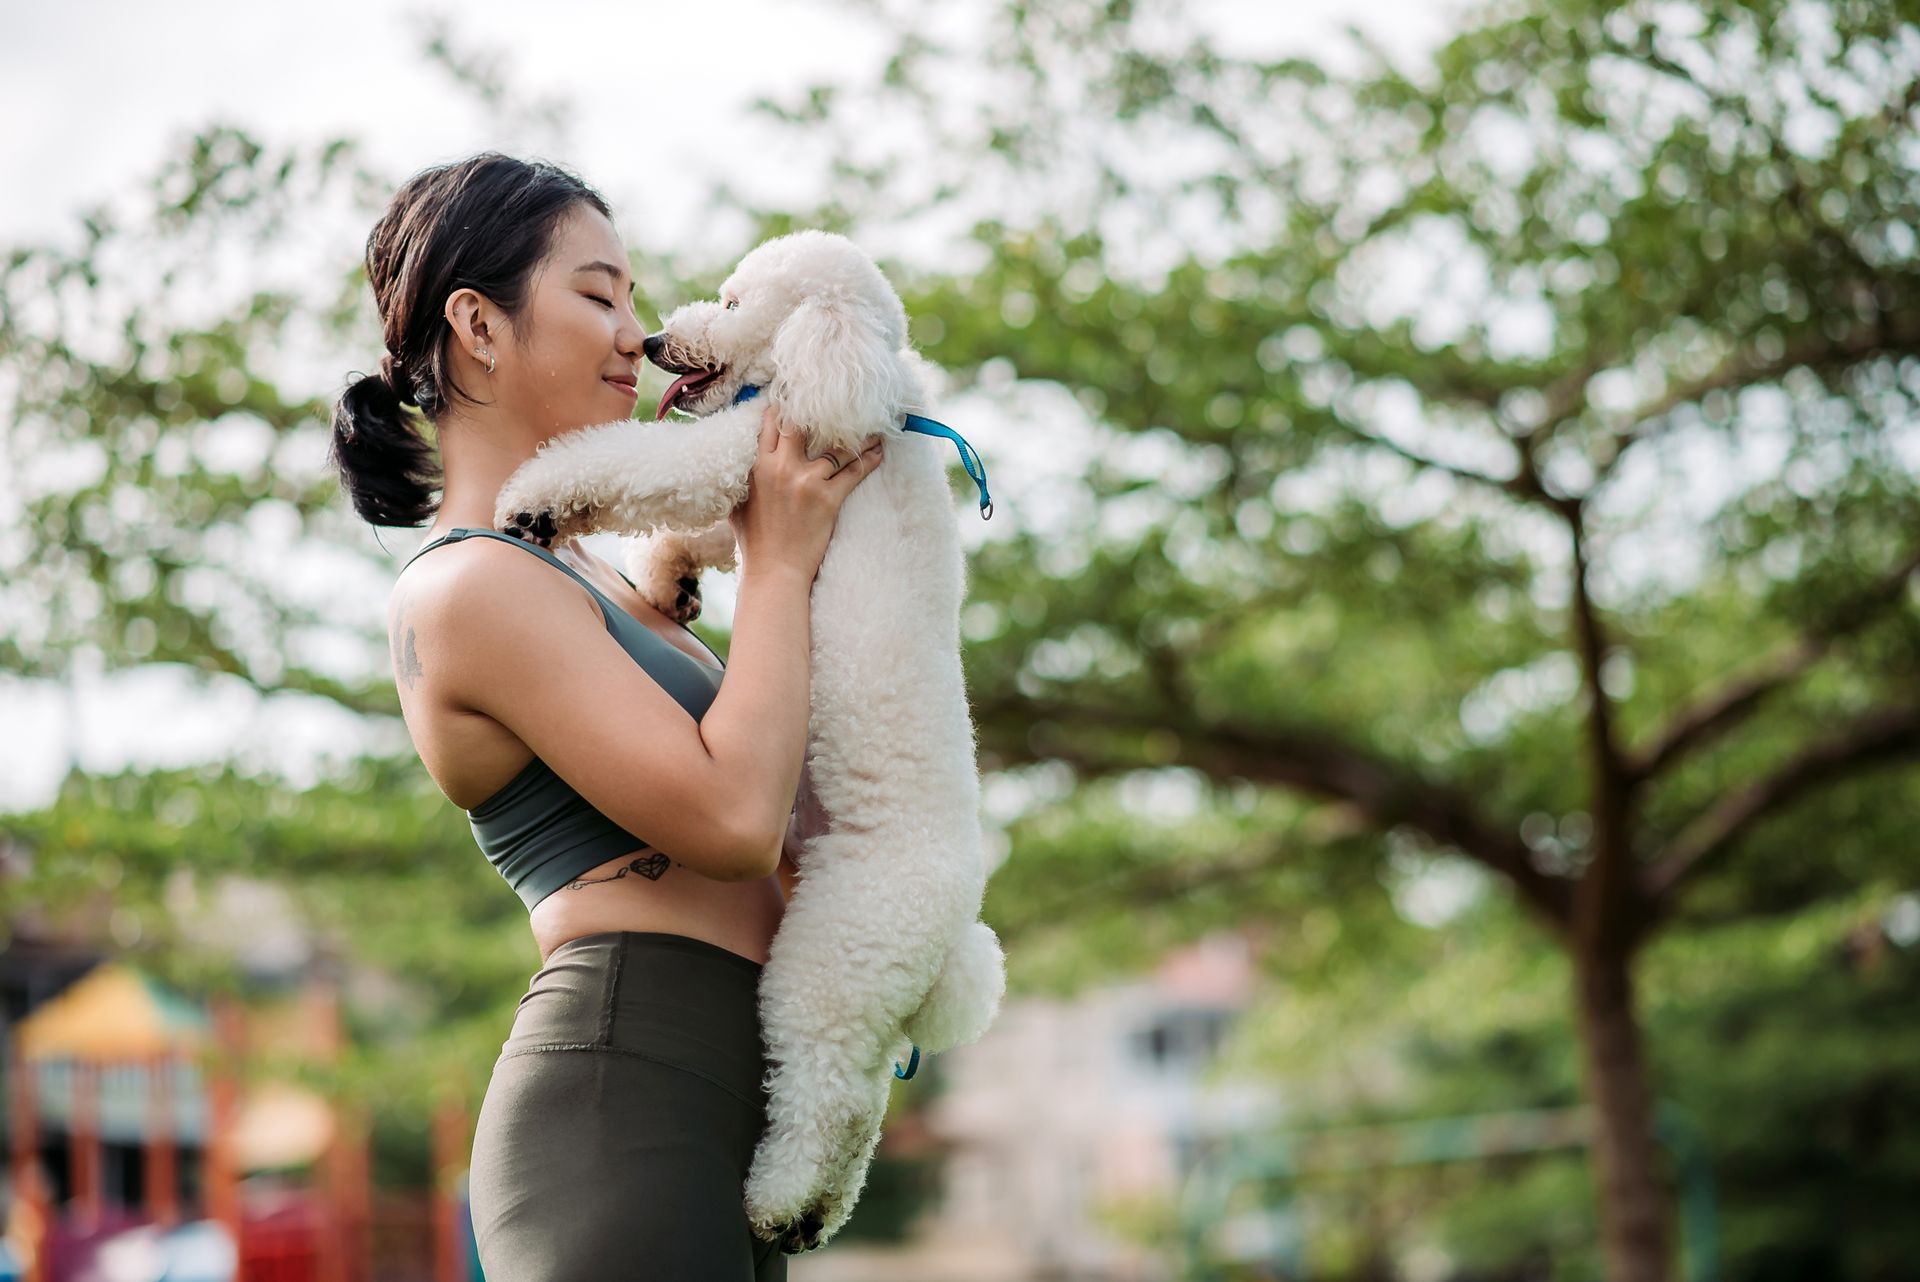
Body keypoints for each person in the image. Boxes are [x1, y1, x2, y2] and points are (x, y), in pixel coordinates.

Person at [326, 151, 884, 1279]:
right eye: (597, 294)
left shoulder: (611, 583)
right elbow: (734, 822)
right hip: (628, 1092)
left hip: (728, 1096)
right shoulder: (467, 587)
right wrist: (775, 565)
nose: (634, 332)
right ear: (478, 326)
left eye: (632, 298)